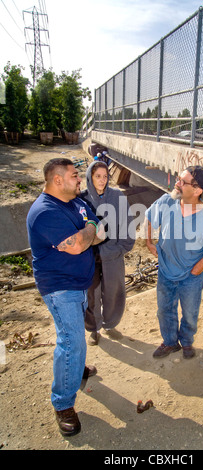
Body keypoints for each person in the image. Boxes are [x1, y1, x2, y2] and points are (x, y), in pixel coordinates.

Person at [26, 158, 104, 437]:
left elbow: (92, 221)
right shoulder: (44, 212)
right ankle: (62, 404)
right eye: (74, 176)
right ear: (57, 180)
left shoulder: (76, 202)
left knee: (72, 339)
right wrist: (91, 231)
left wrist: (90, 229)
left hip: (79, 283)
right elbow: (81, 243)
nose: (80, 180)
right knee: (71, 342)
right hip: (60, 287)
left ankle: (75, 368)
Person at [145, 165, 203, 359]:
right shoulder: (166, 201)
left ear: (197, 190)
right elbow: (149, 216)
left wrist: (196, 271)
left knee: (190, 313)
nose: (177, 183)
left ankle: (187, 342)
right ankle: (170, 342)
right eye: (178, 178)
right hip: (165, 271)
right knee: (165, 311)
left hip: (191, 277)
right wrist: (149, 242)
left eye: (182, 181)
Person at [80, 161, 135, 345]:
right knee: (91, 294)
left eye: (105, 176)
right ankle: (94, 329)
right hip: (89, 258)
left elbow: (128, 225)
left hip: (113, 255)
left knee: (113, 291)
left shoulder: (117, 197)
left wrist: (120, 248)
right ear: (90, 177)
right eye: (98, 176)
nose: (102, 180)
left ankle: (110, 324)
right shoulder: (81, 200)